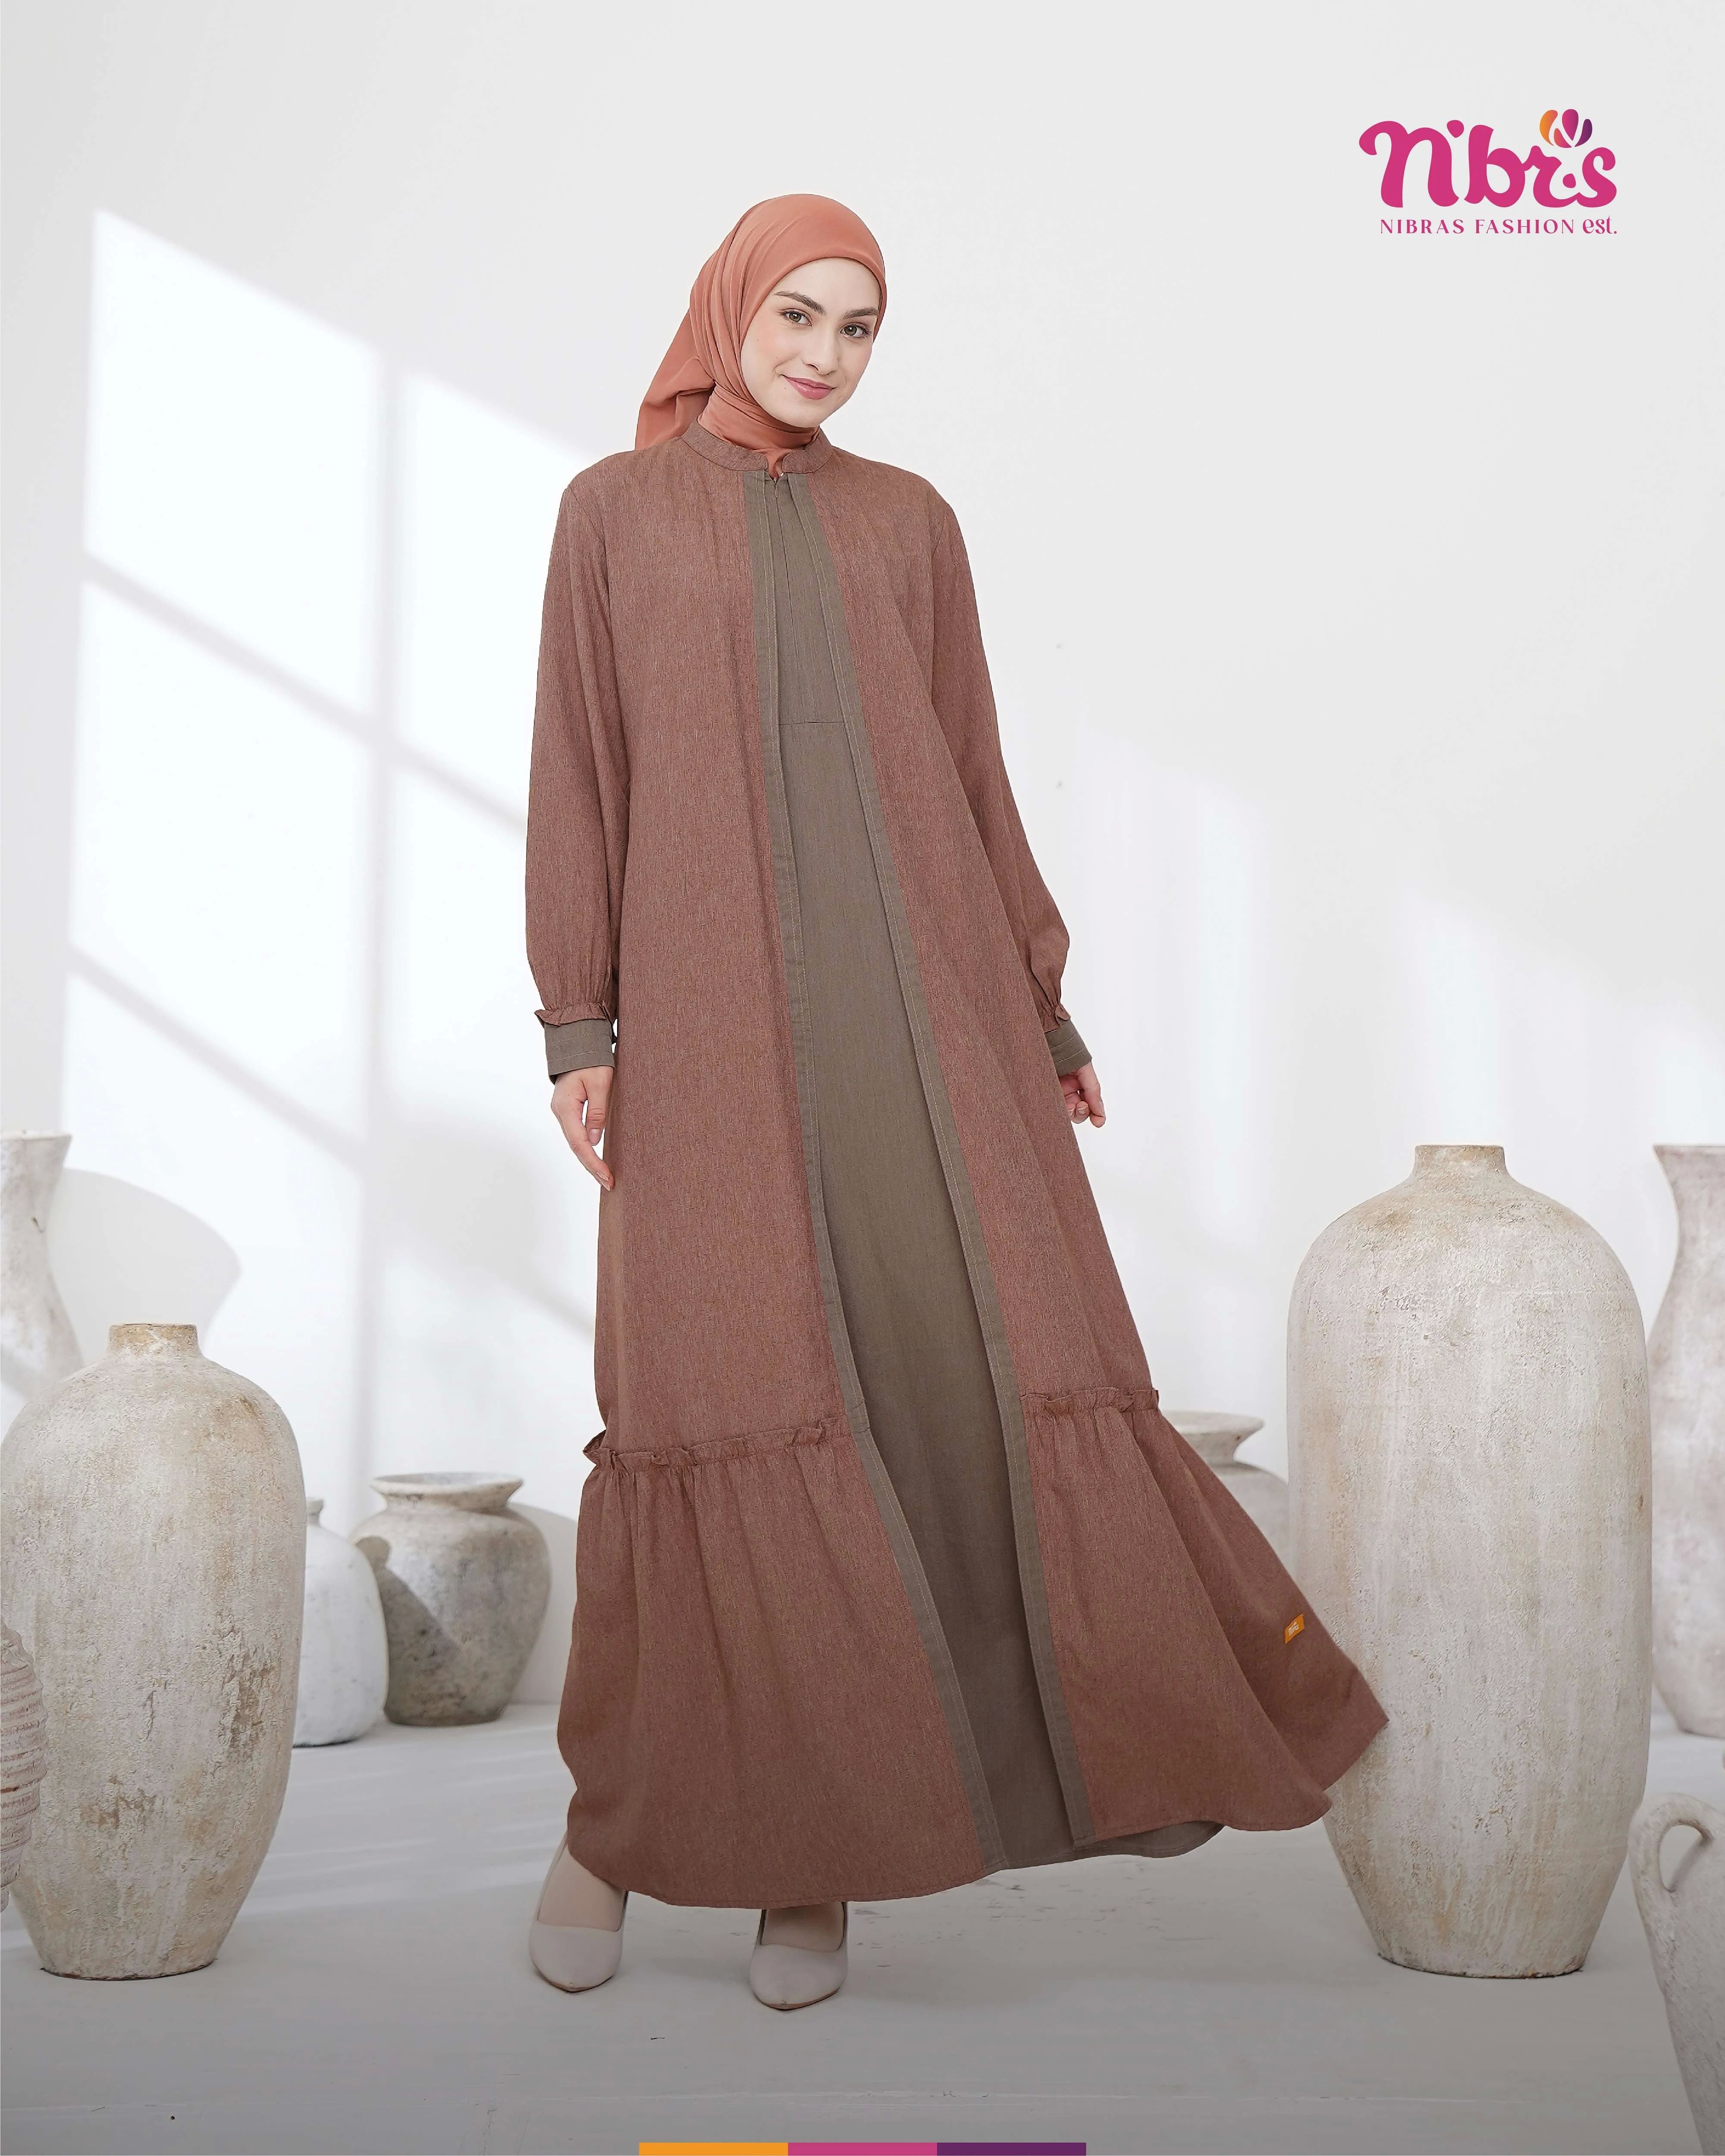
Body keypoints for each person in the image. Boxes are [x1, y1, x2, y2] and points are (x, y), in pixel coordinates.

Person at [523, 195, 1386, 2011]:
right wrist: (580, 1021)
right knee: (714, 1399)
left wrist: (1038, 1000)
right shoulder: (613, 514)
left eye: (858, 328)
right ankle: (608, 1830)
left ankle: (817, 1859)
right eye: (799, 315)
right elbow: (579, 769)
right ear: (730, 309)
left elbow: (972, 773)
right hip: (712, 1032)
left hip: (924, 1028)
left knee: (926, 1397)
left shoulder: (908, 521)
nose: (825, 355)